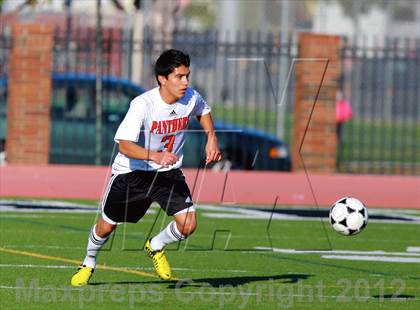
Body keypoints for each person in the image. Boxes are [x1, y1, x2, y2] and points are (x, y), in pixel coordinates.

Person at [71, 49, 221, 286]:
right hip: (131, 173)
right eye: (179, 77)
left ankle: (156, 246)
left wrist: (211, 138)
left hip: (166, 174)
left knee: (189, 224)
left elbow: (203, 110)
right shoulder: (142, 104)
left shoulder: (191, 97)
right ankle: (88, 262)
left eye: (187, 76)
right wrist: (155, 156)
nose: (186, 82)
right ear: (162, 79)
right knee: (106, 226)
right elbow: (124, 146)